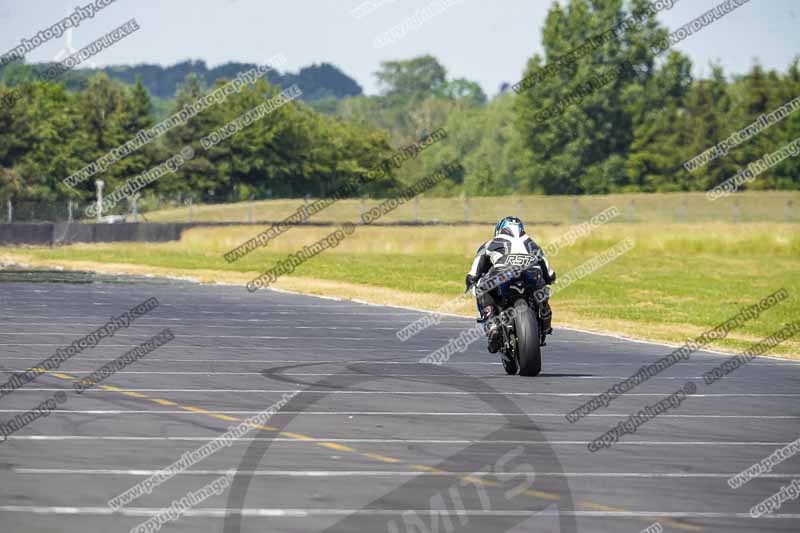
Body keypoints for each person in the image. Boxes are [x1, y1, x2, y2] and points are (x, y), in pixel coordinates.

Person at [465, 216, 555, 352]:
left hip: (502, 272)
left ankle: (491, 322)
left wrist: (471, 280)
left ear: (499, 229)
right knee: (542, 288)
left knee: (480, 288)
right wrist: (548, 280)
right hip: (532, 273)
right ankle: (544, 312)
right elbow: (550, 275)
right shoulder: (532, 243)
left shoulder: (491, 243)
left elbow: (474, 272)